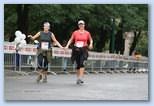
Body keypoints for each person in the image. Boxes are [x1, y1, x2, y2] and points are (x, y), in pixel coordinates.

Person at [65, 20, 93, 85]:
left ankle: (80, 78)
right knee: (78, 64)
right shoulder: (75, 32)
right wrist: (67, 46)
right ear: (78, 25)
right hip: (76, 49)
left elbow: (91, 39)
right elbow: (71, 39)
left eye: (82, 24)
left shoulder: (87, 33)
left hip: (84, 49)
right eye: (80, 25)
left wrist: (91, 44)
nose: (81, 26)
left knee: (82, 63)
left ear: (84, 25)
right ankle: (78, 78)